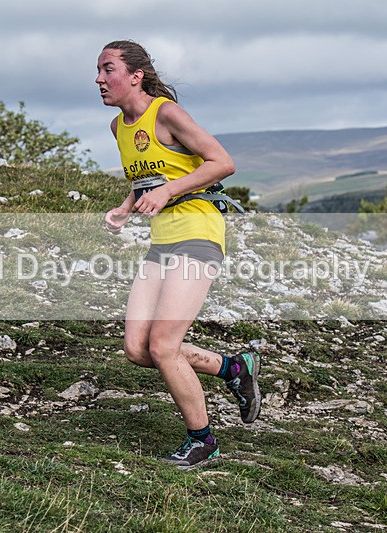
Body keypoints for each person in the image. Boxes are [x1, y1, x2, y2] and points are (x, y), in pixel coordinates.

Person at [96, 39, 262, 469]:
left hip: (198, 229)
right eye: (98, 71)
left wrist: (170, 190)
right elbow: (147, 178)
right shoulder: (119, 128)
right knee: (138, 347)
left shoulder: (165, 113)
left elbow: (222, 162)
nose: (99, 79)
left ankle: (202, 440)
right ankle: (232, 368)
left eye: (108, 69)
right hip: (162, 239)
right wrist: (126, 207)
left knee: (164, 344)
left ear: (135, 75)